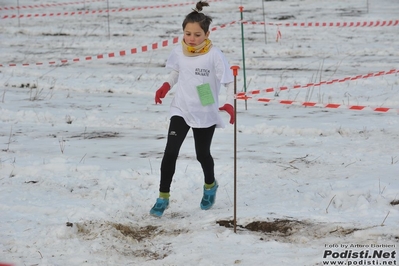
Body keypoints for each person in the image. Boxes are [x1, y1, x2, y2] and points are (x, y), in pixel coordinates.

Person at [150, 0, 235, 217]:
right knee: (170, 153)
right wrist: (166, 85)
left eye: (197, 34)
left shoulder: (214, 54)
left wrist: (229, 104)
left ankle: (210, 186)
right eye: (188, 33)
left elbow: (229, 81)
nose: (192, 39)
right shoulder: (180, 51)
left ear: (207, 33)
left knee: (202, 154)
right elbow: (177, 72)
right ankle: (163, 197)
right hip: (181, 107)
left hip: (204, 106)